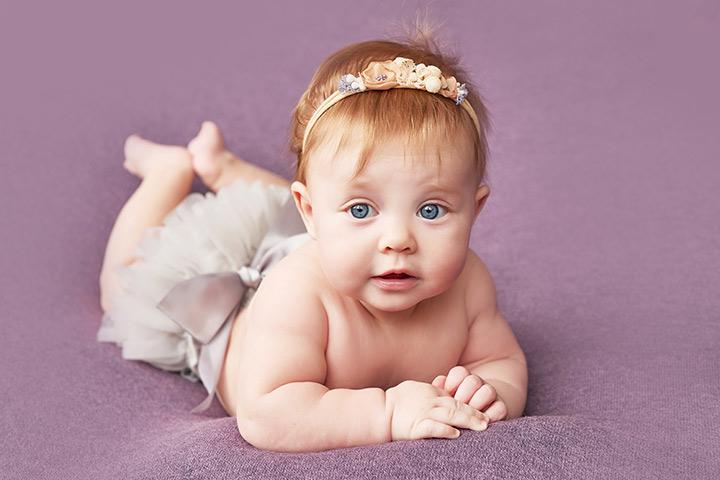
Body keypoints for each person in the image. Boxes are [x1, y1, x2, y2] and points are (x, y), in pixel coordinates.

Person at [97, 28, 528, 453]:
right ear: (311, 213)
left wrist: (492, 392)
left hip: (320, 238)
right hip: (220, 311)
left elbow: (500, 362)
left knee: (290, 214)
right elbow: (266, 414)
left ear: (475, 210)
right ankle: (166, 174)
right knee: (125, 289)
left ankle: (226, 169)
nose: (398, 240)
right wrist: (387, 412)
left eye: (430, 210)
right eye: (362, 209)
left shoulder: (469, 282)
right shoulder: (296, 293)